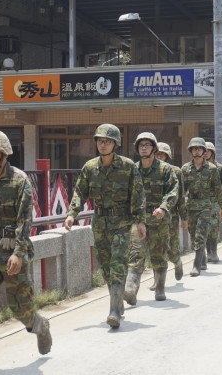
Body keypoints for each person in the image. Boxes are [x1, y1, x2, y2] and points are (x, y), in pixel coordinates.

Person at [0, 130, 52, 375]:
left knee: (20, 307)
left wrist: (18, 252)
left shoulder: (19, 180)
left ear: (4, 154)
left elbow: (25, 220)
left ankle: (39, 325)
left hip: (12, 250)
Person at [64, 124, 146, 329]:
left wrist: (140, 220)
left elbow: (138, 195)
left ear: (115, 144)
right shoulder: (90, 167)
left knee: (118, 263)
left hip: (122, 222)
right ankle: (117, 300)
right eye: (100, 140)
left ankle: (114, 311)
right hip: (100, 223)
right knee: (107, 266)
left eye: (107, 141)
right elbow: (80, 192)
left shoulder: (128, 167)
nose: (103, 144)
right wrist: (72, 214)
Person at [123, 132, 179, 304]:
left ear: (154, 148)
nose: (144, 148)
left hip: (159, 219)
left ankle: (160, 287)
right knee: (135, 254)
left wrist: (164, 207)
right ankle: (131, 290)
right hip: (139, 219)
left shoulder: (165, 169)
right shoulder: (133, 170)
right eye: (141, 145)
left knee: (159, 255)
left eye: (147, 145)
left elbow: (173, 191)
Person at [181, 137, 222, 276]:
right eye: (194, 149)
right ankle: (203, 259)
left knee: (201, 235)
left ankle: (196, 265)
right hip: (191, 206)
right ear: (191, 151)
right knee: (193, 235)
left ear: (204, 151)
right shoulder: (186, 169)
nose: (196, 151)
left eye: (199, 148)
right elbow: (181, 191)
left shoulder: (212, 169)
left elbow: (218, 189)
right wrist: (181, 210)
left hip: (206, 206)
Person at [152, 142, 185, 289]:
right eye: (157, 154)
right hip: (153, 216)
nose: (159, 157)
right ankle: (157, 280)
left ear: (167, 156)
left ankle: (177, 262)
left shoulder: (176, 171)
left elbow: (181, 196)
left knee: (171, 247)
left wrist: (184, 217)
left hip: (172, 215)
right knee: (155, 248)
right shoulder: (148, 170)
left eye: (162, 155)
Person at [203, 142, 222, 262]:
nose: (205, 154)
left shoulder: (220, 168)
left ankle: (213, 252)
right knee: (204, 228)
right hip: (201, 202)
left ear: (212, 153)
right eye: (203, 151)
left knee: (214, 226)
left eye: (208, 151)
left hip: (215, 201)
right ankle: (206, 253)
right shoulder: (197, 167)